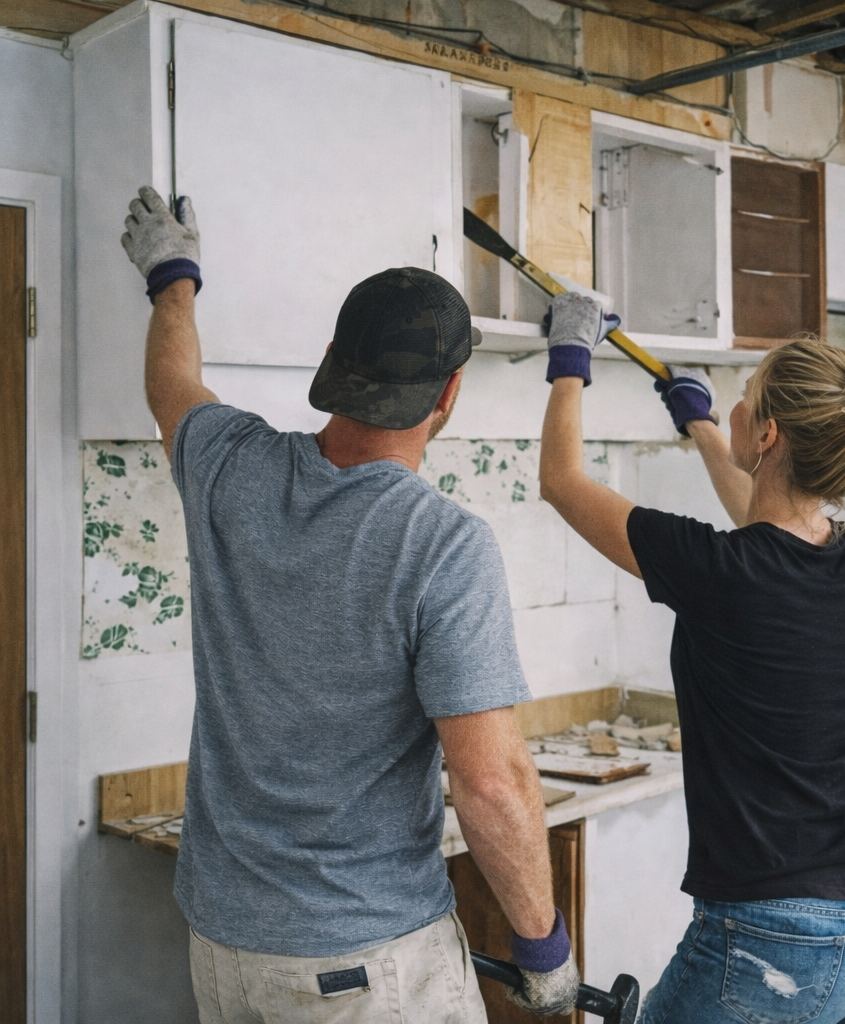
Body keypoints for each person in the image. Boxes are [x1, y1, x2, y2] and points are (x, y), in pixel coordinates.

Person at [120, 186, 580, 1023]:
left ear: (333, 359)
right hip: (362, 965)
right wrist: (543, 949)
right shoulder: (443, 545)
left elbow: (171, 385)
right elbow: (491, 784)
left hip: (222, 946)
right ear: (449, 396)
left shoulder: (228, 466)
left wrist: (172, 277)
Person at [538, 292, 845, 1024]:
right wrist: (698, 426)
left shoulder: (719, 573)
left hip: (777, 942)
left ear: (768, 435)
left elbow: (563, 482)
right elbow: (767, 517)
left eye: (742, 401)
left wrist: (570, 360)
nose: (734, 409)